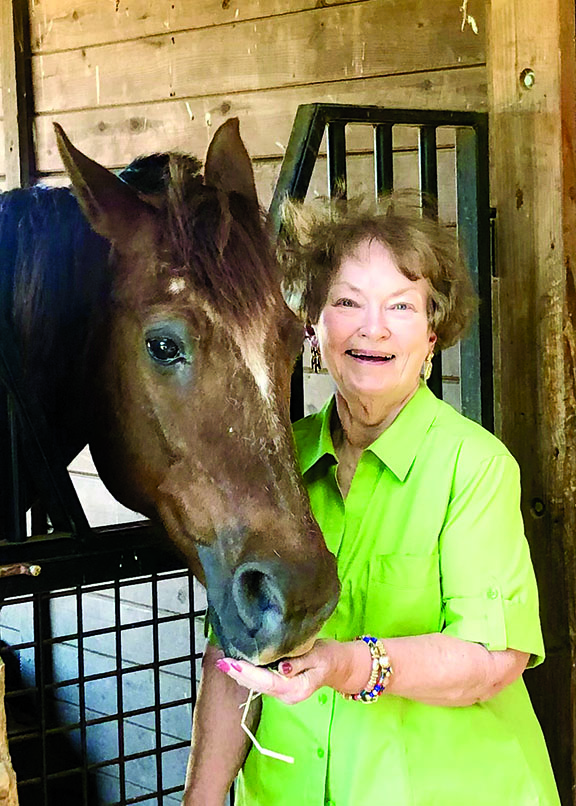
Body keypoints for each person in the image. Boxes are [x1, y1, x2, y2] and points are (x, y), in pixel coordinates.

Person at [183, 196, 560, 806]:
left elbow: (494, 659)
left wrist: (350, 666)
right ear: (314, 325)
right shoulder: (273, 465)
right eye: (347, 302)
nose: (373, 328)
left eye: (401, 306)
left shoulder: (473, 466)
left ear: (433, 334)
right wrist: (199, 799)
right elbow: (232, 657)